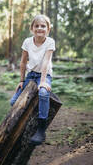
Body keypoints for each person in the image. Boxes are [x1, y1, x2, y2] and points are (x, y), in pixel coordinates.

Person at [10, 14, 55, 145]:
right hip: (31, 75)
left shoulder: (50, 42)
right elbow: (23, 62)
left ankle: (41, 129)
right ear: (32, 28)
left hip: (44, 75)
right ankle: (27, 124)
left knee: (43, 93)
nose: (40, 28)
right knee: (14, 102)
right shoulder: (27, 42)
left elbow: (46, 61)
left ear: (48, 29)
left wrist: (42, 82)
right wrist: (21, 80)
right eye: (37, 26)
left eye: (43, 26)